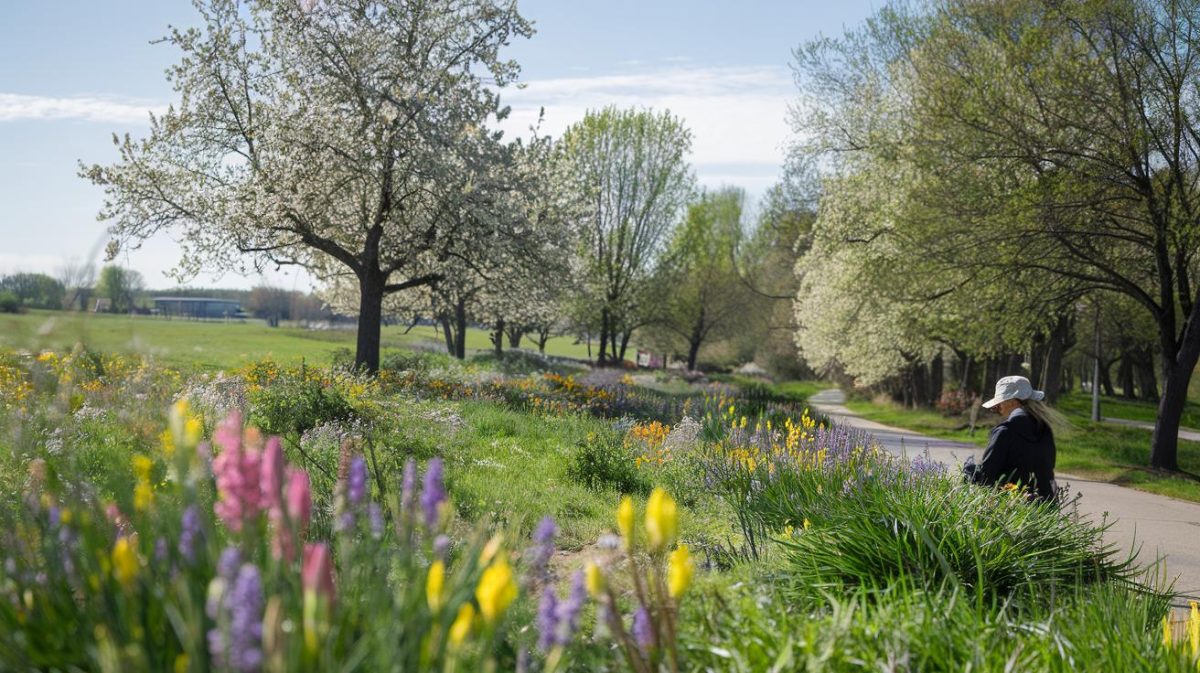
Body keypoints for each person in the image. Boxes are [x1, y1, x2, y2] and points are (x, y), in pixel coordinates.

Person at [965, 375, 1067, 503]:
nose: (998, 406)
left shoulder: (1005, 431)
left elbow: (986, 475)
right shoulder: (1044, 429)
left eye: (1000, 401)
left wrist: (970, 471)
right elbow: (1047, 467)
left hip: (1013, 507)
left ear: (1012, 401)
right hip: (1045, 503)